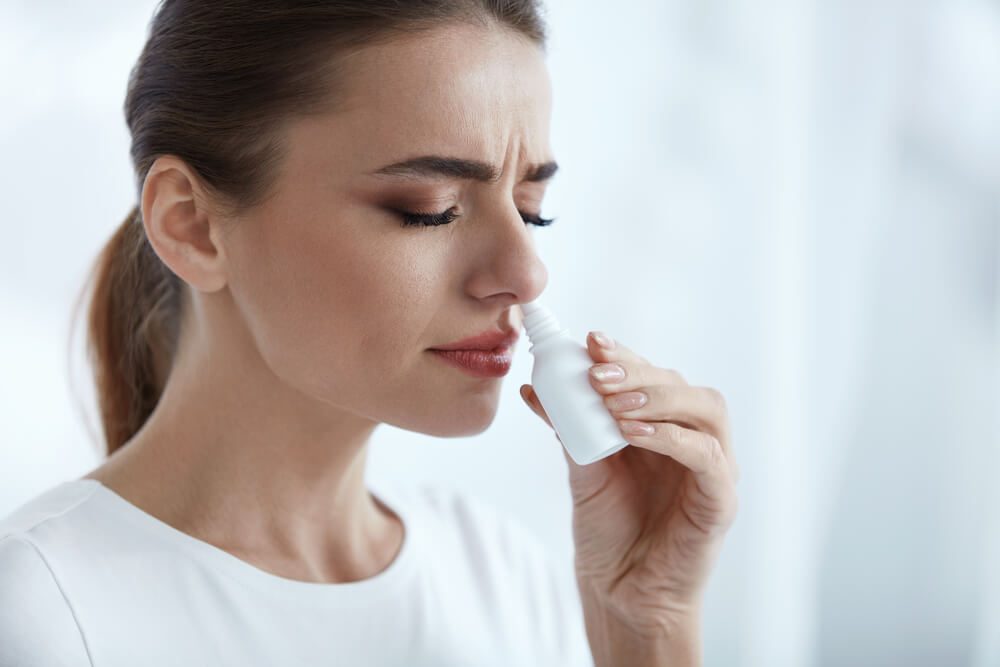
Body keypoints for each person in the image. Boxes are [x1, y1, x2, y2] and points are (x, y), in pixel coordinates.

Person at [0, 2, 739, 665]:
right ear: (190, 224)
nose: (526, 272)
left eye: (531, 207)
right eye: (430, 207)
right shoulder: (45, 611)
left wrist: (650, 628)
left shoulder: (500, 579)